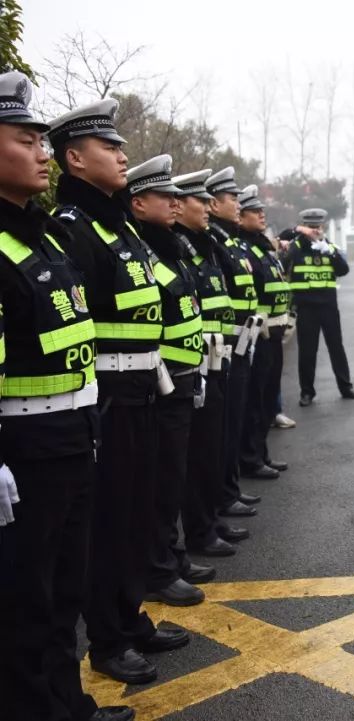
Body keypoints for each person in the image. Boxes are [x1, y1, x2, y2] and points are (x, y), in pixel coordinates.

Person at [0, 71, 133, 721]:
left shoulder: (45, 232)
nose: (42, 151)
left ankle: (67, 706)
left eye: (43, 140)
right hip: (23, 454)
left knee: (60, 597)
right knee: (25, 603)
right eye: (27, 139)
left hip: (74, 438)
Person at [49, 98, 186, 685]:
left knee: (135, 513)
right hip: (107, 397)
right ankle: (106, 639)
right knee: (106, 526)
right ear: (75, 160)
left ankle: (129, 618)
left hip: (142, 392)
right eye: (110, 148)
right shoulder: (73, 231)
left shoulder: (120, 226)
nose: (123, 154)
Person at [124, 156, 208, 609]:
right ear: (138, 204)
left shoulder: (168, 247)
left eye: (179, 197)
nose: (176, 205)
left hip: (181, 378)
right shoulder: (143, 251)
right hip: (158, 386)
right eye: (167, 198)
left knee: (172, 478)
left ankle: (170, 557)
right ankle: (158, 566)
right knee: (159, 483)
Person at [172, 170, 244, 559]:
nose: (209, 208)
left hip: (217, 360)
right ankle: (199, 531)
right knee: (197, 456)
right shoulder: (179, 249)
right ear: (180, 205)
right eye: (202, 202)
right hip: (191, 366)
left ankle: (211, 520)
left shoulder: (206, 245)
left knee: (213, 448)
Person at [205, 166, 265, 533]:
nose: (239, 203)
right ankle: (220, 499)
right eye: (233, 199)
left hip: (242, 341)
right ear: (214, 203)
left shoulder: (229, 242)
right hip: (221, 349)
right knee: (221, 432)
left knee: (232, 424)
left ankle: (227, 491)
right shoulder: (212, 241)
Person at [236, 185, 290, 477]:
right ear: (240, 216)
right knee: (255, 402)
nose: (262, 214)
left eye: (262, 210)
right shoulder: (244, 249)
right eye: (255, 211)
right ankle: (251, 458)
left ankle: (262, 453)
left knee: (268, 400)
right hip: (259, 336)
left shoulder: (262, 247)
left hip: (275, 334)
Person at [282, 208, 354, 405]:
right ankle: (307, 392)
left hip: (328, 307)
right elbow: (282, 261)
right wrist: (297, 233)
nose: (315, 231)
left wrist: (330, 252)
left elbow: (343, 270)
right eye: (310, 227)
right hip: (306, 308)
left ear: (322, 227)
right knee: (307, 352)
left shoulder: (328, 246)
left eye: (317, 227)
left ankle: (346, 387)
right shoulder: (296, 246)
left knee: (336, 348)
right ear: (304, 227)